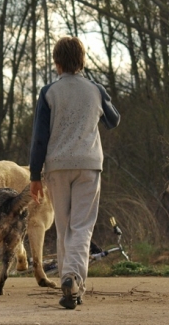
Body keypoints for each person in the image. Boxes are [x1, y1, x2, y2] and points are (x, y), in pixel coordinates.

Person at [29, 37, 120, 310]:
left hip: (56, 167)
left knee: (64, 226)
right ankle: (73, 279)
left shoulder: (49, 92)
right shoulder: (95, 89)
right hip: (89, 165)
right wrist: (98, 101)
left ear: (57, 63)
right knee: (82, 227)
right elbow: (113, 119)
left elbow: (39, 138)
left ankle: (69, 281)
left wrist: (35, 175)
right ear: (82, 61)